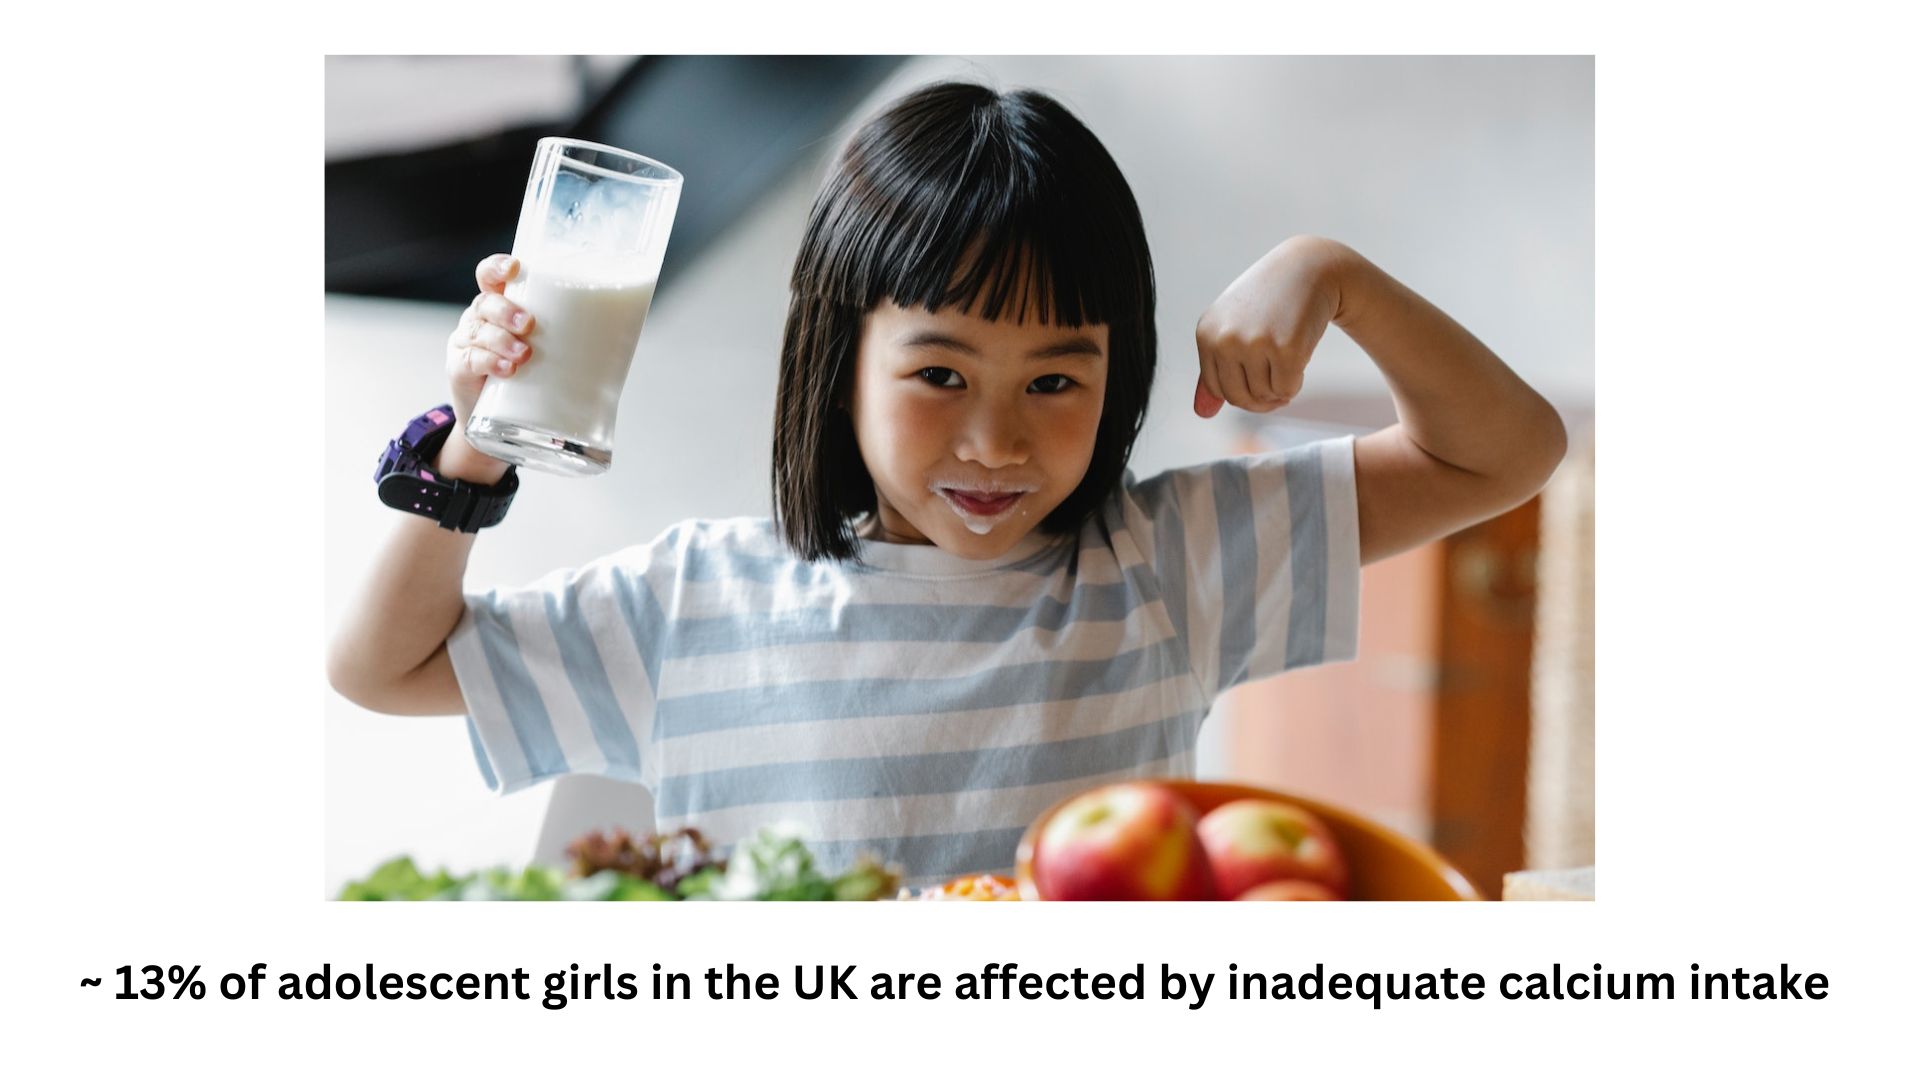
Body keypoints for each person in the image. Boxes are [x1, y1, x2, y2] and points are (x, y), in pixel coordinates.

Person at [328, 81, 1566, 887]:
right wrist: (476, 444)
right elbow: (383, 667)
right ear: (839, 359)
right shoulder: (697, 594)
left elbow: (1506, 452)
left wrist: (1332, 271)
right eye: (939, 374)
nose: (994, 444)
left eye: (1053, 383)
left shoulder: (1168, 561)